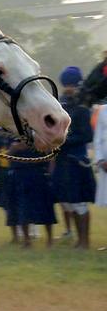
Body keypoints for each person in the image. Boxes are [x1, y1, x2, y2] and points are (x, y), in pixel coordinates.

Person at [51, 66, 96, 249]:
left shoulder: (82, 108)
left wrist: (63, 141)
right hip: (62, 161)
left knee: (79, 203)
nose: (69, 88)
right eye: (67, 85)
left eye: (73, 85)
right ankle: (78, 239)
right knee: (67, 202)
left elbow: (88, 136)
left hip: (77, 161)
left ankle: (84, 241)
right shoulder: (59, 106)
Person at [7, 139, 57, 247]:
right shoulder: (13, 134)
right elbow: (6, 155)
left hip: (39, 172)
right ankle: (27, 240)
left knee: (46, 208)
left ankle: (50, 239)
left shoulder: (39, 132)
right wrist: (14, 148)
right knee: (23, 208)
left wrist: (50, 174)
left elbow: (51, 154)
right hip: (20, 174)